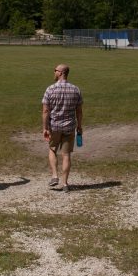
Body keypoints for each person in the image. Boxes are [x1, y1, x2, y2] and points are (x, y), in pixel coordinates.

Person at [41, 63, 83, 192]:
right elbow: (79, 111)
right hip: (70, 127)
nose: (54, 72)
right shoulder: (76, 90)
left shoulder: (50, 89)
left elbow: (46, 111)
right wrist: (79, 126)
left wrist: (45, 128)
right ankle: (65, 183)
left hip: (55, 126)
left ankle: (55, 175)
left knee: (52, 149)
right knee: (66, 155)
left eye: (55, 70)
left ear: (60, 72)